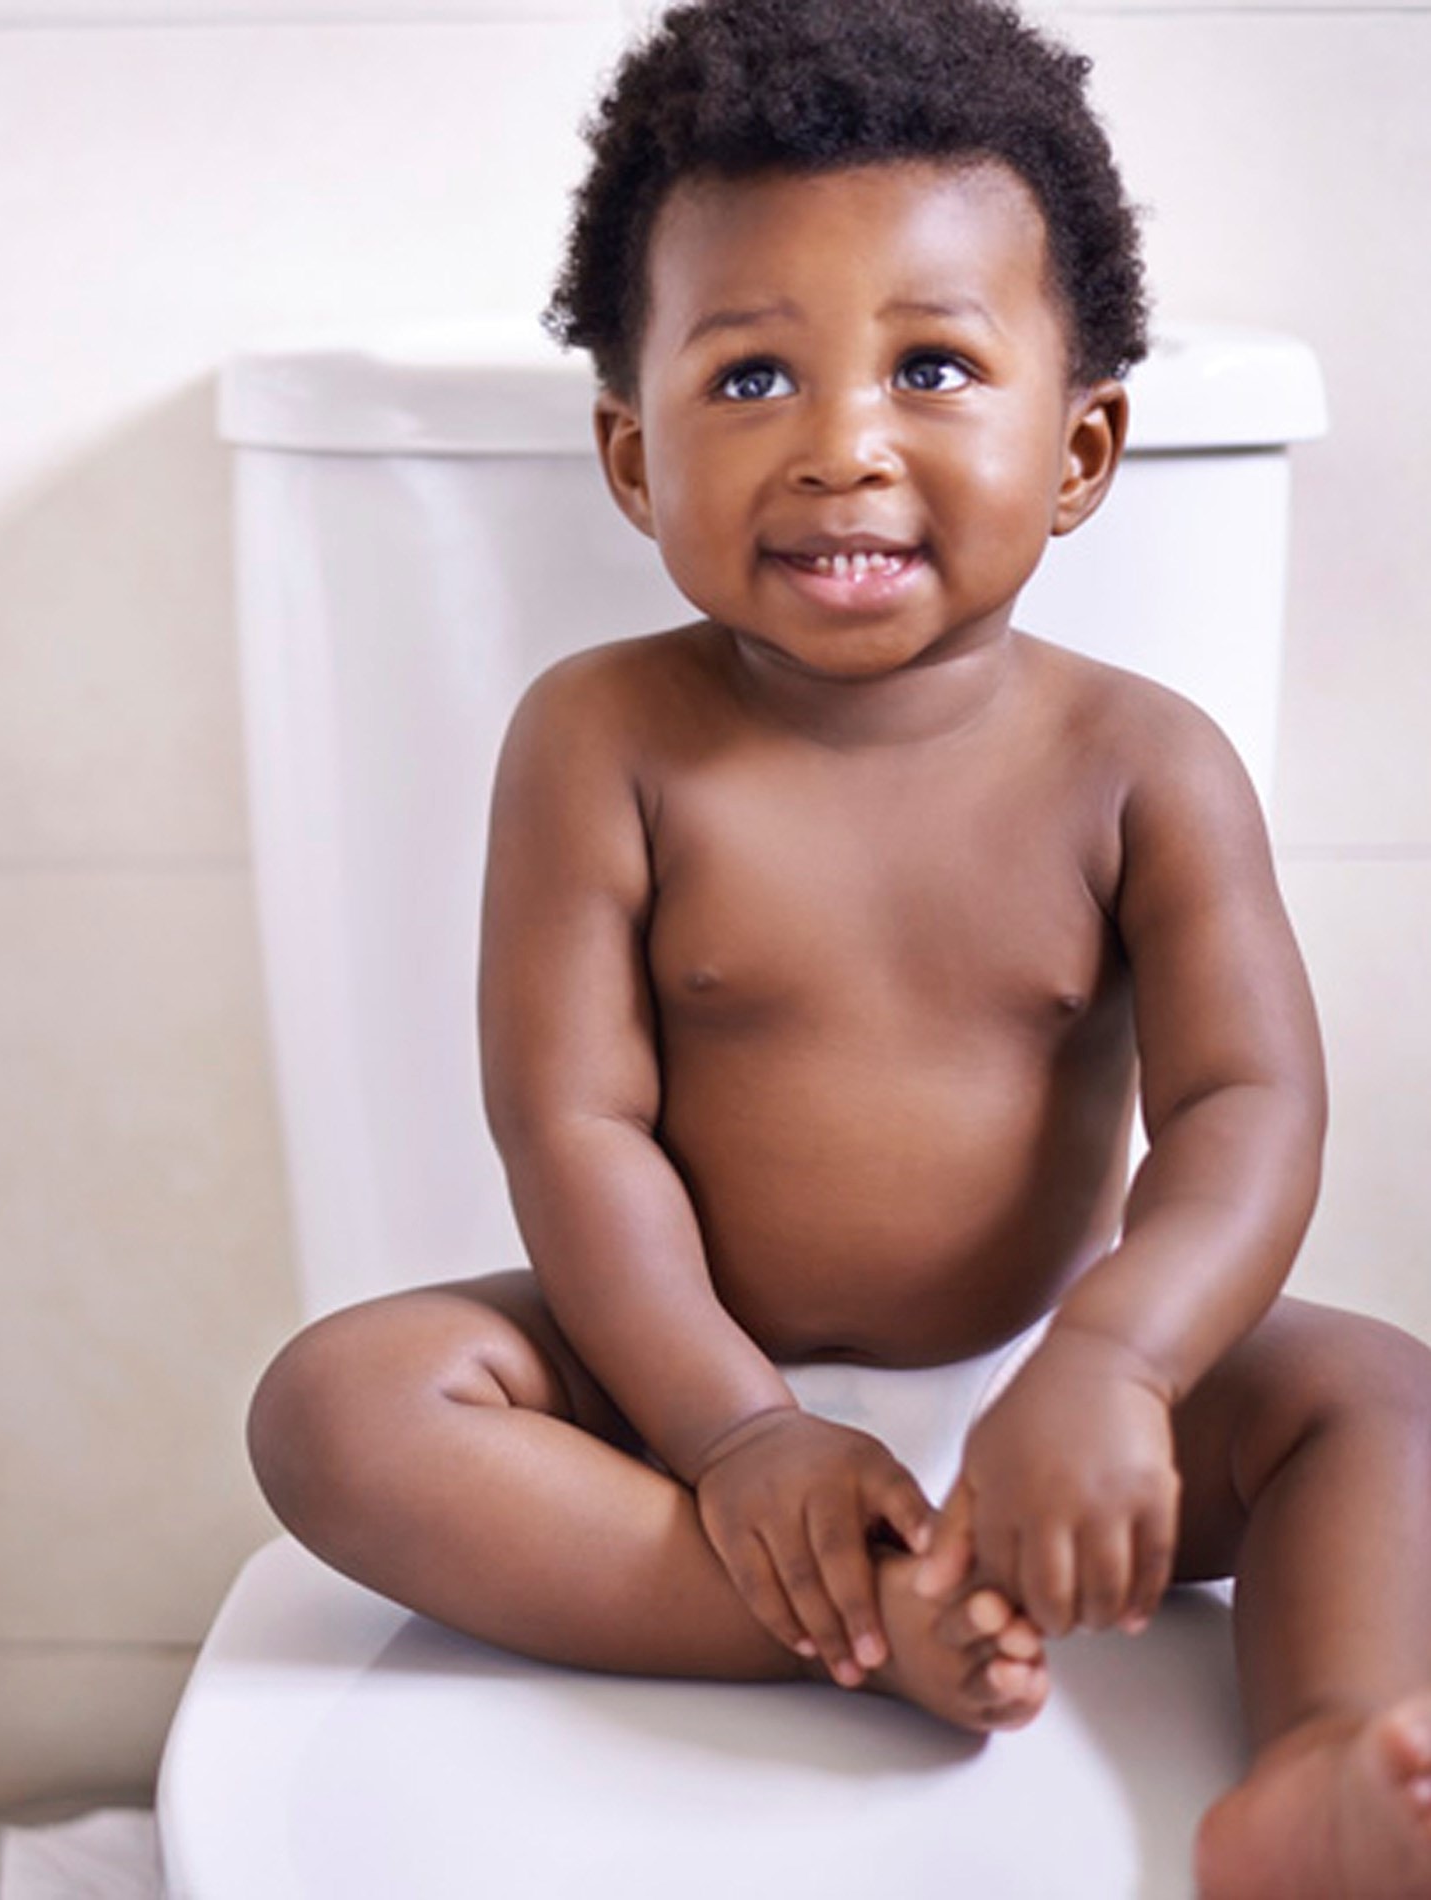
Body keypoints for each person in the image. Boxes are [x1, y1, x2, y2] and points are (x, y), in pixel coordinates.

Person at [247, 1, 1431, 1890]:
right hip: (677, 1398)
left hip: (1056, 1388)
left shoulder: (1143, 763)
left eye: (936, 366)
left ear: (1082, 446)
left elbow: (1246, 1103)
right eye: (748, 384)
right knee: (339, 1408)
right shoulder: (600, 739)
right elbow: (575, 1129)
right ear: (634, 462)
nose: (840, 450)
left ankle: (1317, 1758)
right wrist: (730, 1432)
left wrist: (1119, 1361)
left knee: (1378, 1397)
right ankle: (863, 1634)